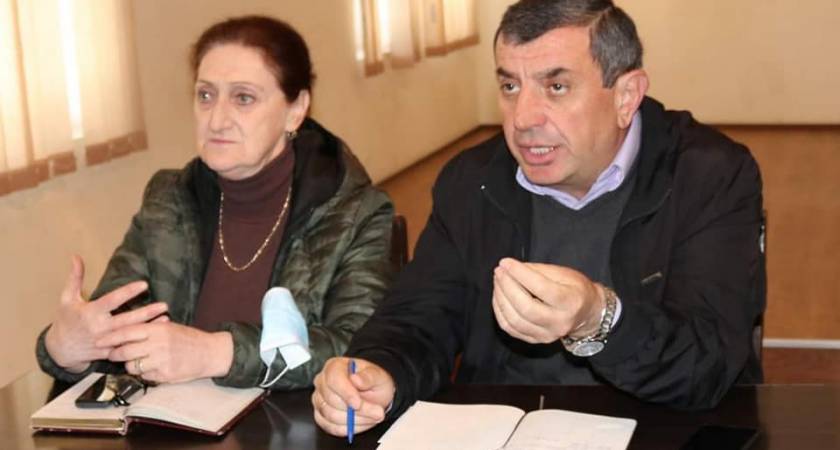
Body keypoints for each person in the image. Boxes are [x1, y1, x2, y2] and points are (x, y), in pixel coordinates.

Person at [312, 0, 765, 437]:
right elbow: (419, 316)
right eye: (510, 87)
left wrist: (598, 318)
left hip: (664, 429)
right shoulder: (472, 180)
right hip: (503, 430)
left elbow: (708, 364)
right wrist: (379, 369)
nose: (523, 119)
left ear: (626, 96)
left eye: (556, 87)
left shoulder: (708, 175)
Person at [35, 16, 394, 390]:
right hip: (171, 421)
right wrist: (62, 347)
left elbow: (360, 349)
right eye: (206, 96)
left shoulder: (355, 213)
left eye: (243, 98)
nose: (217, 120)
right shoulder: (169, 200)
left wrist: (217, 353)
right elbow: (112, 328)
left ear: (296, 109)